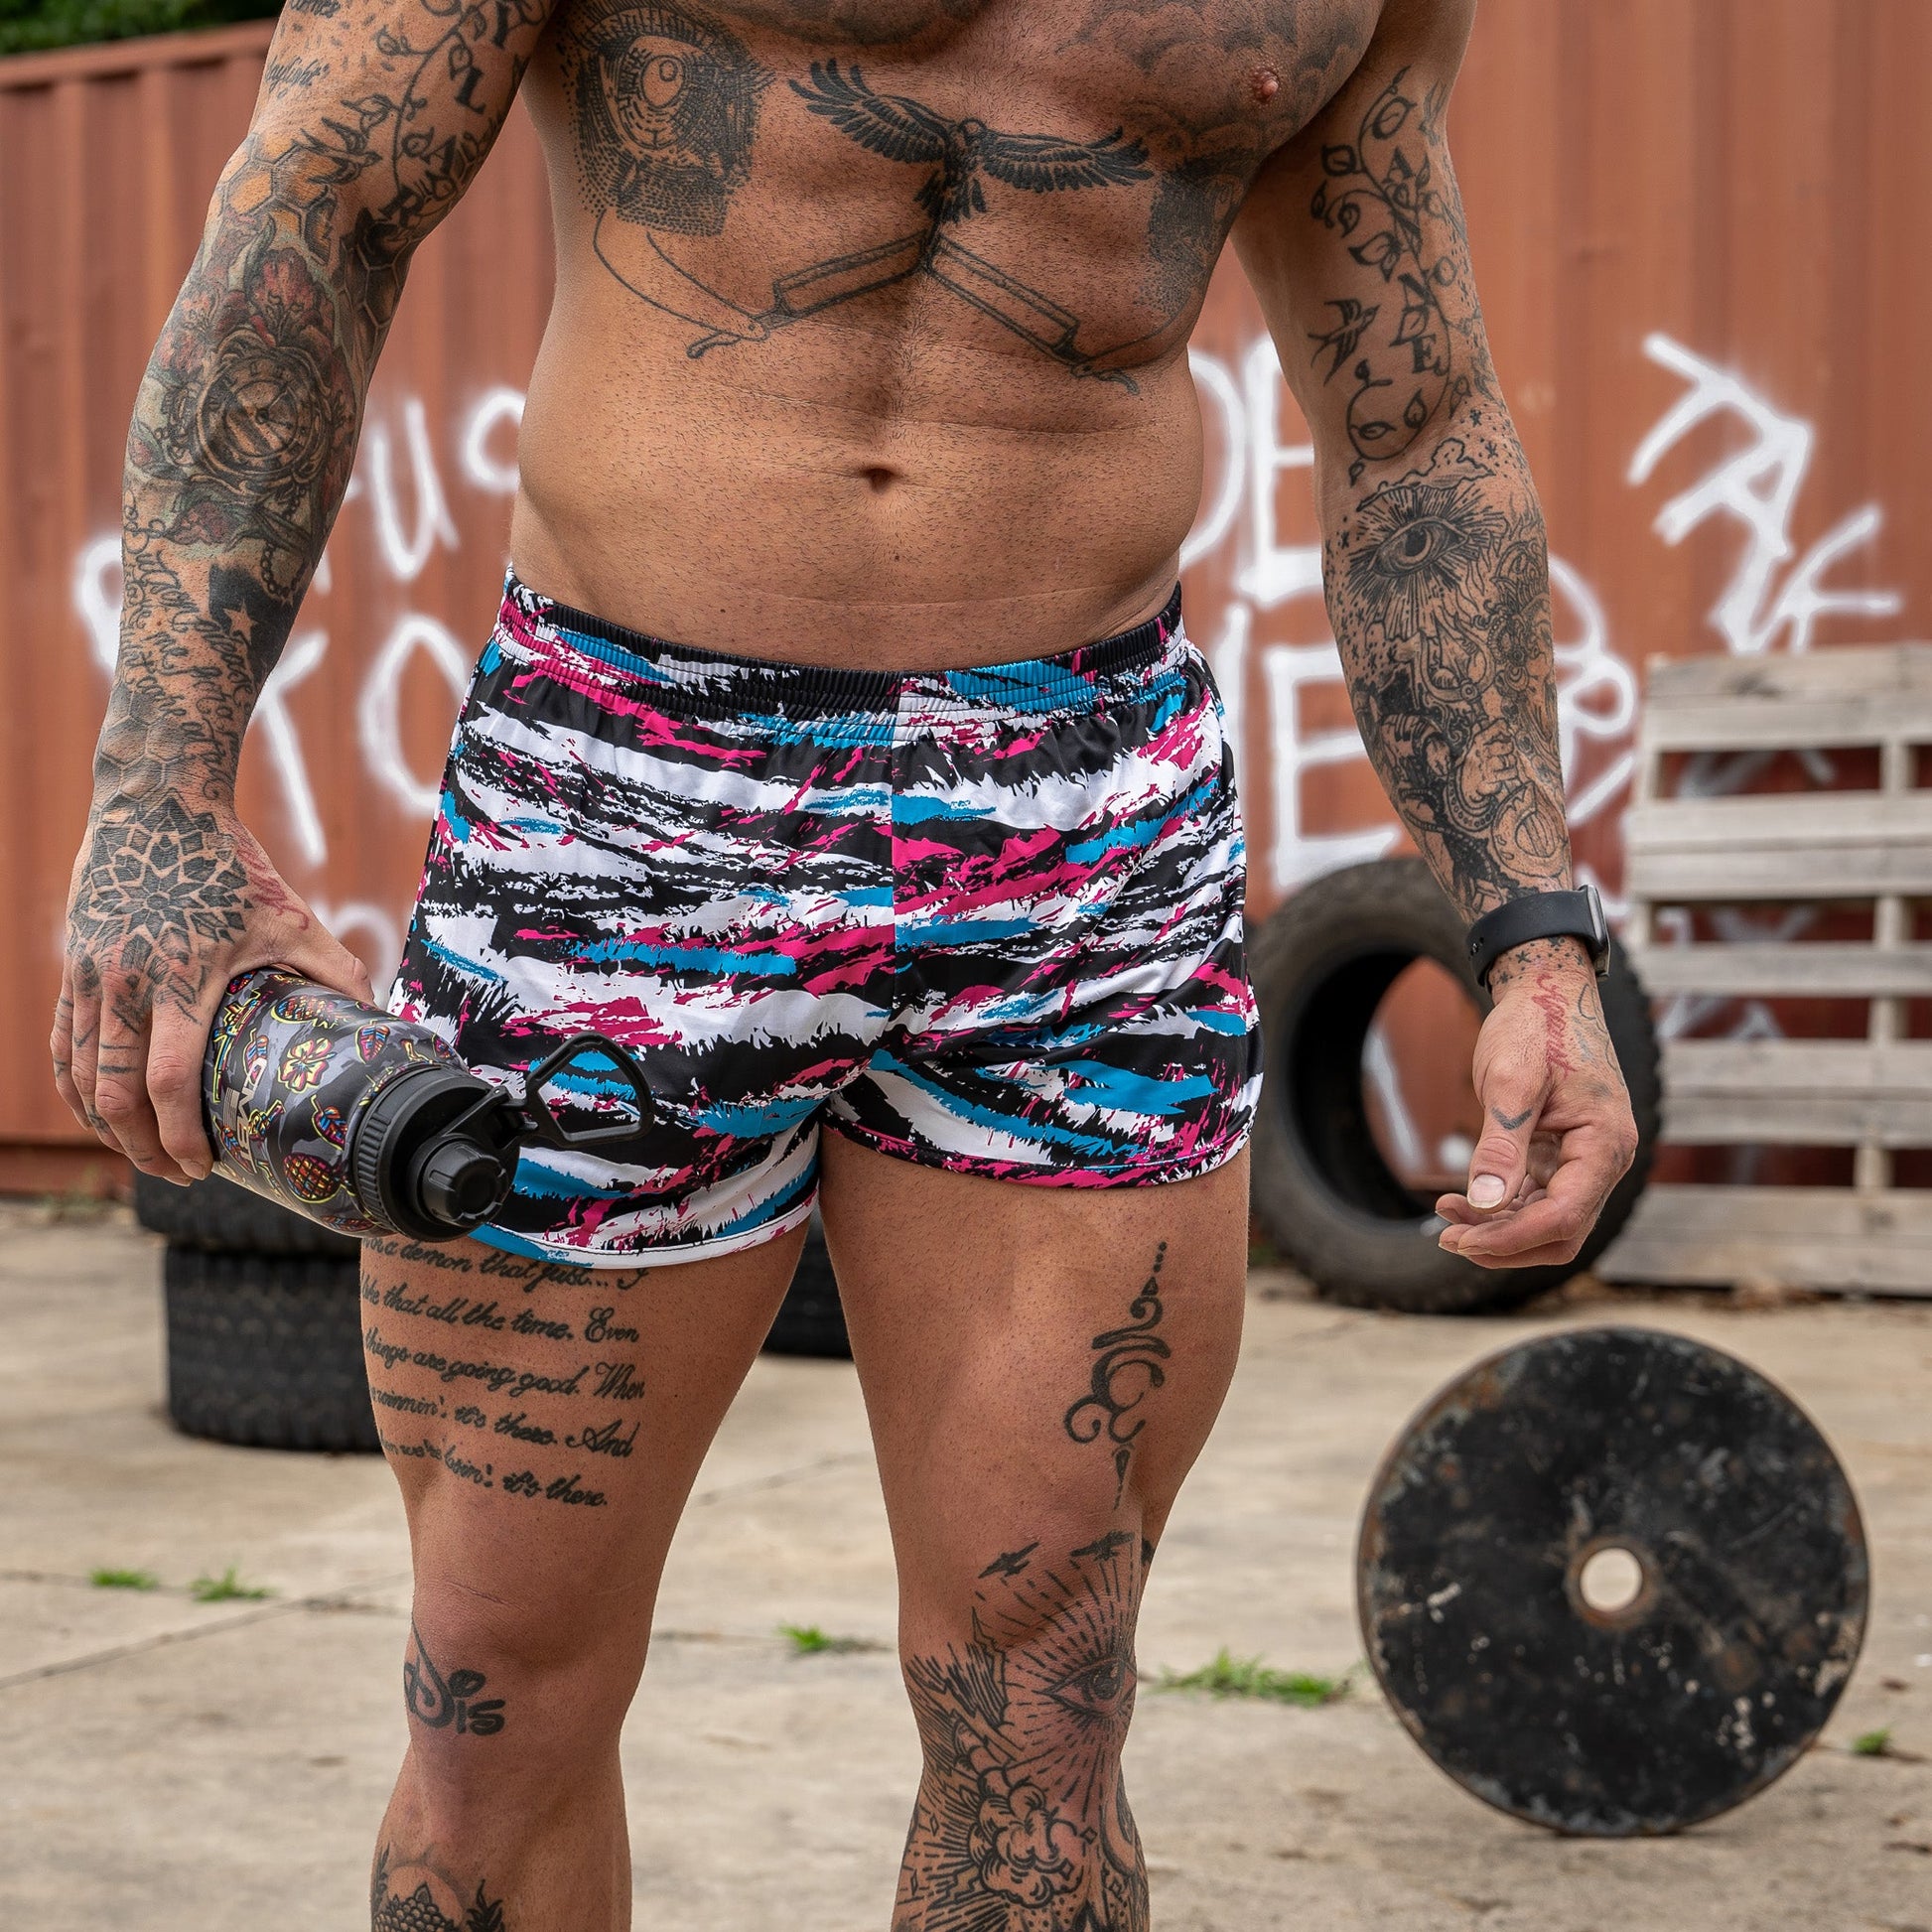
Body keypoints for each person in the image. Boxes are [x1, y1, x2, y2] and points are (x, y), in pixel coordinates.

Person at [53, 0, 1638, 1923]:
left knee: (1045, 1711)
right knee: (498, 1697)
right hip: (626, 793)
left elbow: (1413, 418)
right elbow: (318, 201)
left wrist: (1530, 931)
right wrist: (156, 794)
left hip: (1081, 826)